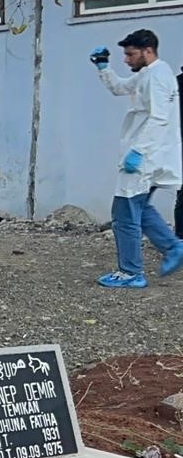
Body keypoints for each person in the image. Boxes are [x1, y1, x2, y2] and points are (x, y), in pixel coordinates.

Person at [91, 29, 183, 288]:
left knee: (124, 212)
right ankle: (173, 247)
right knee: (140, 209)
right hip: (148, 153)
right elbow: (120, 88)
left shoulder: (158, 76)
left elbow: (159, 118)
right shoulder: (147, 74)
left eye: (130, 54)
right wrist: (103, 68)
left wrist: (138, 152)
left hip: (145, 155)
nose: (126, 59)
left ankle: (131, 272)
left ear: (148, 51)